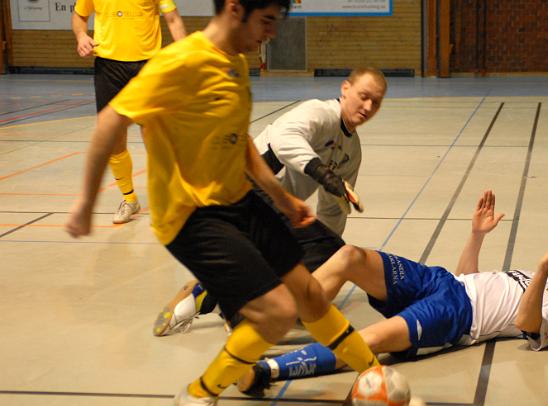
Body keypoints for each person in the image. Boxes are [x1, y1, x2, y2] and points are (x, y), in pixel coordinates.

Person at [65, 0, 380, 406]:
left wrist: (281, 197)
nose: (272, 32)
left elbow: (242, 142)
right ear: (236, 9)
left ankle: (375, 375)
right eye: (267, 20)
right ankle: (198, 394)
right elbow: (107, 125)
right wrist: (84, 202)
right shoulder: (179, 62)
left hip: (240, 197)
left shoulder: (234, 63)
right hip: (191, 215)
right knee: (277, 313)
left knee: (310, 292)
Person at [236, 190, 548, 394]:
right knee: (350, 256)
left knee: (366, 340)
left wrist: (542, 267)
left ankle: (265, 369)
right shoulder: (544, 282)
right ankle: (277, 315)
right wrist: (476, 236)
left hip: (455, 317)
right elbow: (468, 278)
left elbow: (527, 325)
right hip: (443, 283)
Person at [152, 68, 388, 336]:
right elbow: (283, 139)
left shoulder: (352, 151)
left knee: (331, 251)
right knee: (306, 259)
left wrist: (321, 259)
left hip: (275, 210)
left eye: (376, 102)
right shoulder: (319, 112)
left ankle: (212, 292)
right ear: (346, 89)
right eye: (363, 96)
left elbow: (333, 209)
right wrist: (322, 172)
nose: (368, 107)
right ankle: (240, 310)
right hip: (243, 190)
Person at [72, 0, 187, 224]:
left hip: (147, 66)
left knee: (155, 135)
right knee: (113, 137)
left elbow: (173, 19)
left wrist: (188, 56)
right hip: (108, 67)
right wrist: (81, 36)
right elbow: (79, 17)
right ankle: (129, 199)